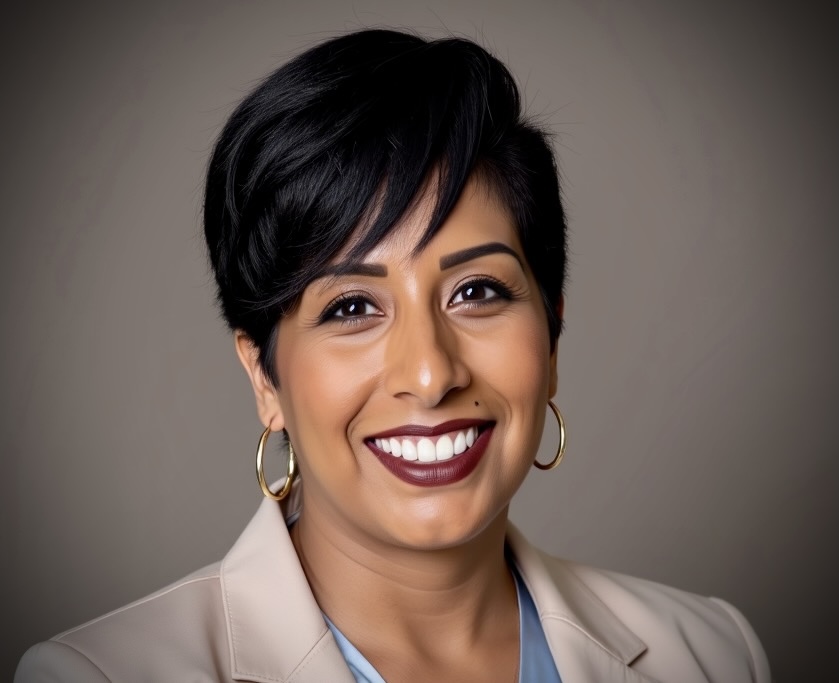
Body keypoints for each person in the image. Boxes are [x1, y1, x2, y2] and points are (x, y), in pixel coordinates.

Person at [16, 28, 770, 683]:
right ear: (263, 376)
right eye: (350, 307)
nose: (429, 372)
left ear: (552, 334)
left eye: (476, 292)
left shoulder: (709, 652)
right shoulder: (99, 674)